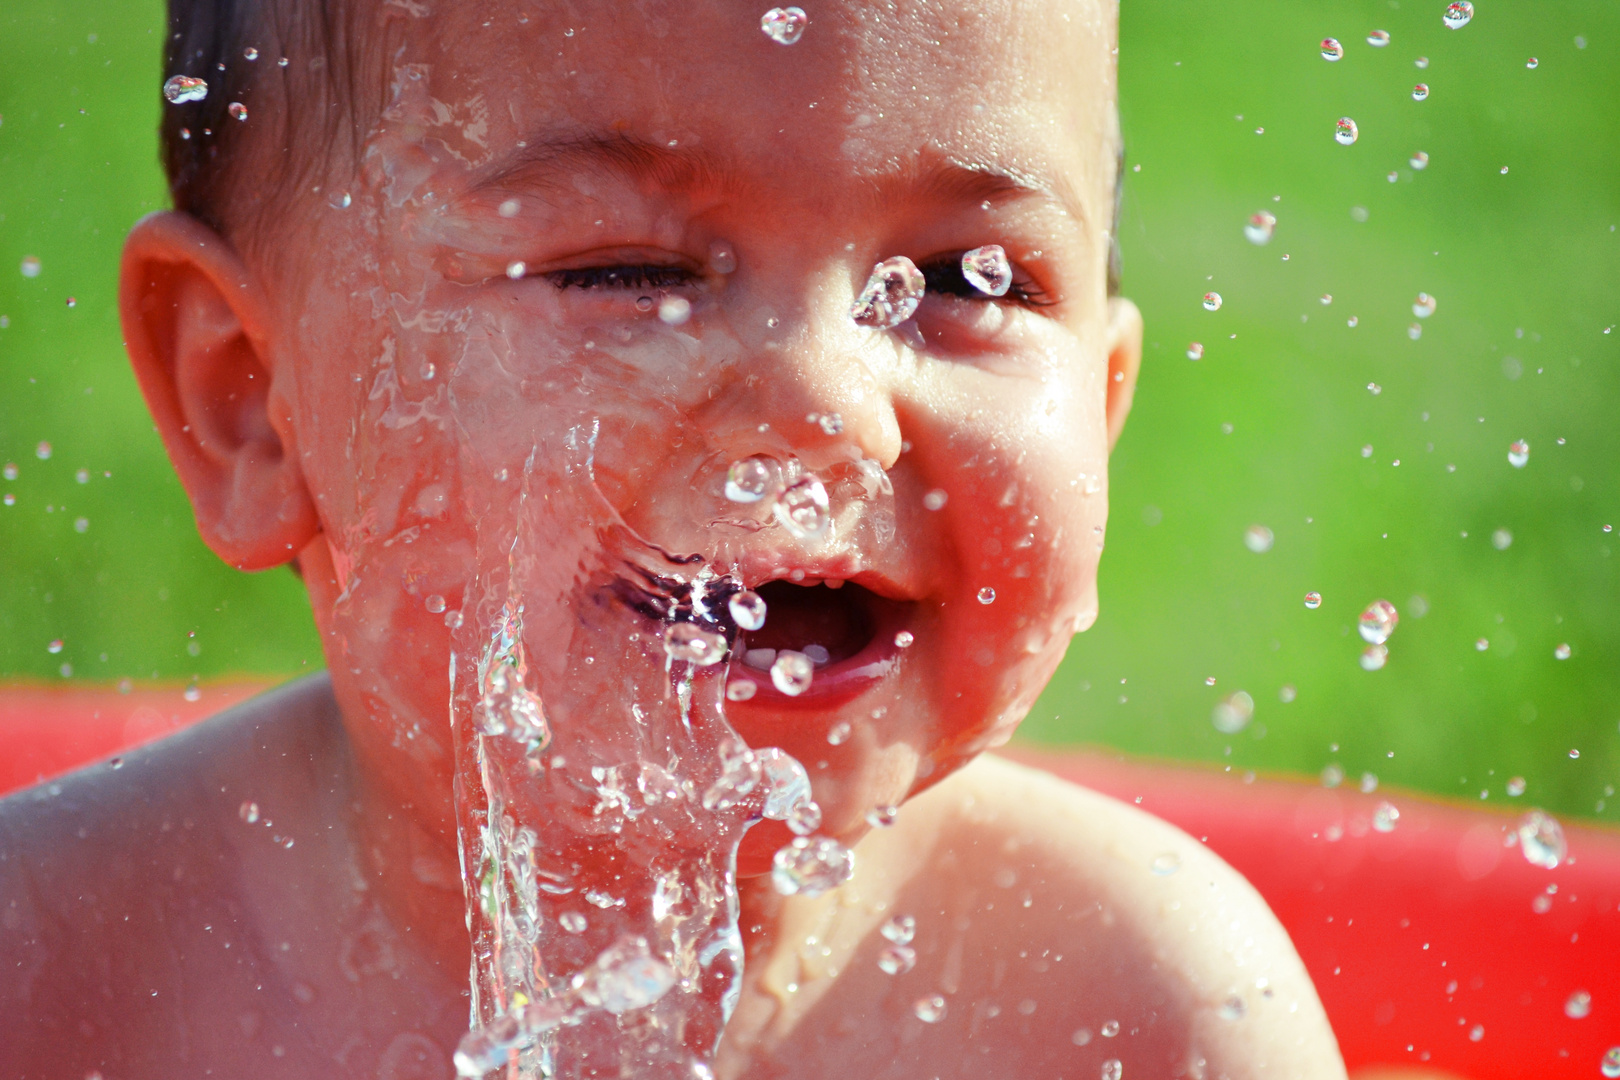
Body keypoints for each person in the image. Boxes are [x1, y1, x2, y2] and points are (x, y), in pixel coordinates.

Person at [0, 0, 1348, 1076]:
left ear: (1101, 405)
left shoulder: (1139, 1016)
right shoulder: (56, 974)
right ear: (250, 399)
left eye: (956, 282)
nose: (826, 405)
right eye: (625, 274)